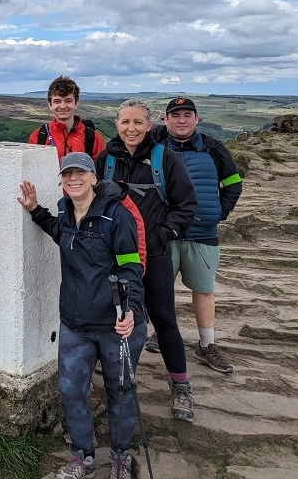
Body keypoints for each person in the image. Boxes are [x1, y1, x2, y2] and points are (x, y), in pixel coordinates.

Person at [18, 152, 145, 479]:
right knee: (72, 390)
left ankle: (121, 459)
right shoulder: (64, 210)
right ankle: (82, 457)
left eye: (80, 173)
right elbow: (62, 235)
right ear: (62, 179)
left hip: (116, 324)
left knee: (121, 391)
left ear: (93, 177)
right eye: (67, 174)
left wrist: (129, 309)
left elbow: (132, 267)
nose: (73, 179)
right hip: (75, 323)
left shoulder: (116, 217)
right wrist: (35, 211)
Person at [94, 100, 198, 422]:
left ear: (149, 124)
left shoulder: (164, 159)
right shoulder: (105, 160)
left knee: (164, 321)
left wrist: (163, 233)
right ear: (117, 124)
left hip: (154, 254)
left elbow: (187, 203)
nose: (132, 128)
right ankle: (116, 380)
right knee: (112, 319)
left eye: (138, 122)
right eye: (125, 122)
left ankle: (180, 385)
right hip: (115, 257)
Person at [152, 97, 242, 374]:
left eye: (187, 115)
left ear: (196, 118)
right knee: (157, 289)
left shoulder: (213, 147)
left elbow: (233, 184)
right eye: (175, 115)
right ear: (165, 120)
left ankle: (206, 345)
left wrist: (218, 212)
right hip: (164, 233)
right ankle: (160, 333)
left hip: (202, 233)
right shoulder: (154, 146)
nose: (182, 120)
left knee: (203, 290)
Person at [28, 75, 106, 159]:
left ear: (76, 103)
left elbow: (99, 171)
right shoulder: (37, 137)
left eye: (68, 101)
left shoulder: (94, 138)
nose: (63, 106)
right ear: (50, 105)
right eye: (57, 101)